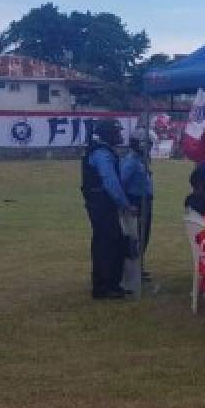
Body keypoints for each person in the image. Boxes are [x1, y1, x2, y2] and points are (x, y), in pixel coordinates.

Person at [80, 119, 134, 300]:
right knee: (110, 244)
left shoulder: (98, 151)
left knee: (104, 243)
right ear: (108, 135)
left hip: (98, 204)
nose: (119, 135)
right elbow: (110, 182)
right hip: (102, 205)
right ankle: (107, 287)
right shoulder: (102, 155)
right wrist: (125, 204)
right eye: (116, 132)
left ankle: (105, 285)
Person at [120, 136, 154, 275]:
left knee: (143, 236)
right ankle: (132, 270)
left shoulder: (140, 160)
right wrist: (127, 204)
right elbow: (122, 182)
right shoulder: (131, 162)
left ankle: (138, 267)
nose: (150, 149)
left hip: (144, 201)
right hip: (136, 202)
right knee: (136, 236)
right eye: (148, 145)